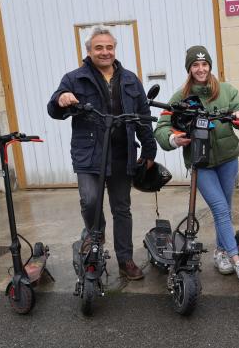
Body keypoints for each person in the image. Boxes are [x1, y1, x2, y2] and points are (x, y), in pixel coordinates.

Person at [47, 27, 157, 280]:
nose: (105, 52)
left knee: (122, 209)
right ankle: (95, 236)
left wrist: (149, 149)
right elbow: (54, 108)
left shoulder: (130, 79)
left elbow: (142, 116)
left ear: (114, 49)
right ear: (88, 51)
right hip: (90, 154)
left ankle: (125, 259)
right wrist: (60, 99)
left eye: (109, 47)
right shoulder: (75, 78)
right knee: (90, 201)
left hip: (122, 153)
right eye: (99, 47)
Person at [153, 45, 239, 287]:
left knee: (226, 209)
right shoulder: (180, 97)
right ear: (189, 69)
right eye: (195, 65)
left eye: (204, 64)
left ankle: (221, 252)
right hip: (202, 163)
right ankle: (236, 259)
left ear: (209, 66)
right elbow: (162, 127)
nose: (201, 69)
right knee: (220, 209)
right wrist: (172, 138)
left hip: (228, 159)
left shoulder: (227, 90)